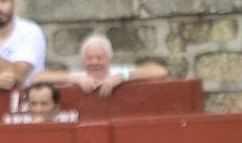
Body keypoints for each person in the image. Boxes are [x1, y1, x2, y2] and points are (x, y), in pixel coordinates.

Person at [30, 35, 168, 99]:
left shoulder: (119, 72)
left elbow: (160, 71)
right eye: (90, 58)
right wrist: (74, 79)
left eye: (99, 58)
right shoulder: (78, 76)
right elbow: (36, 79)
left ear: (110, 59)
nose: (94, 62)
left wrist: (121, 78)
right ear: (82, 61)